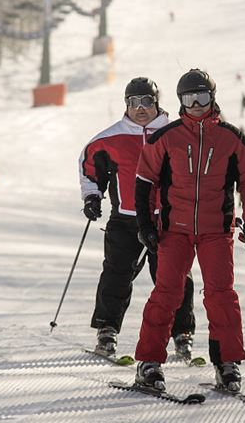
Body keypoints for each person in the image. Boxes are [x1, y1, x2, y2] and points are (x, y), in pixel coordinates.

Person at [132, 69, 245, 393]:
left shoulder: (232, 138)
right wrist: (146, 225)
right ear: (179, 101)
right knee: (167, 295)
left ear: (212, 98)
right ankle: (149, 363)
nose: (195, 104)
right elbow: (144, 182)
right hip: (173, 230)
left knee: (221, 296)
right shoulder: (166, 137)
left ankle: (227, 364)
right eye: (188, 98)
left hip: (216, 231)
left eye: (201, 97)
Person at [79, 77, 196, 358]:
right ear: (126, 104)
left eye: (146, 101)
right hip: (126, 218)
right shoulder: (109, 138)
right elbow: (89, 168)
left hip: (167, 220)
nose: (140, 108)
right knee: (116, 274)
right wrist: (92, 196)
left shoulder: (176, 133)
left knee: (175, 278)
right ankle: (107, 331)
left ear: (157, 102)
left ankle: (182, 334)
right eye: (133, 102)